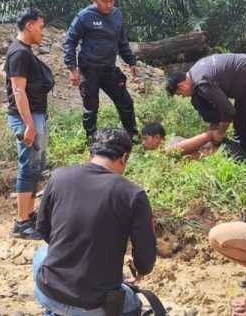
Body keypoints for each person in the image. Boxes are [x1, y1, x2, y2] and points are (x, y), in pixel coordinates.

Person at [33, 128, 157, 316]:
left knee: (42, 254)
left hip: (49, 293)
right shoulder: (133, 194)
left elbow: (43, 229)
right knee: (132, 302)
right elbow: (145, 259)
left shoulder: (60, 176)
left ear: (91, 153)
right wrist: (139, 269)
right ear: (124, 157)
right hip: (95, 305)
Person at [64, 0, 139, 142]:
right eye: (105, 1)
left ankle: (132, 135)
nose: (109, 5)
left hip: (109, 69)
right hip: (89, 69)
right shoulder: (84, 16)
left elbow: (122, 42)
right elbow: (70, 41)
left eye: (112, 1)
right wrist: (72, 68)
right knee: (91, 108)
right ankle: (91, 140)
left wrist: (131, 61)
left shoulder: (117, 15)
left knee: (125, 102)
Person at [5, 8, 54, 240]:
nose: (42, 32)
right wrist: (29, 125)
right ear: (29, 26)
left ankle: (29, 215)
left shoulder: (23, 52)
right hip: (27, 117)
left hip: (34, 115)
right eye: (40, 27)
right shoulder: (19, 53)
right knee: (28, 166)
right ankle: (21, 222)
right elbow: (18, 90)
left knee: (36, 165)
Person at [166, 53, 246, 164]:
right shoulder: (195, 75)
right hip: (244, 78)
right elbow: (216, 114)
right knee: (239, 123)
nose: (183, 97)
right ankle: (244, 156)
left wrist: (220, 132)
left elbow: (228, 111)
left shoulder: (201, 82)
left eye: (180, 94)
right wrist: (212, 132)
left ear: (181, 86)